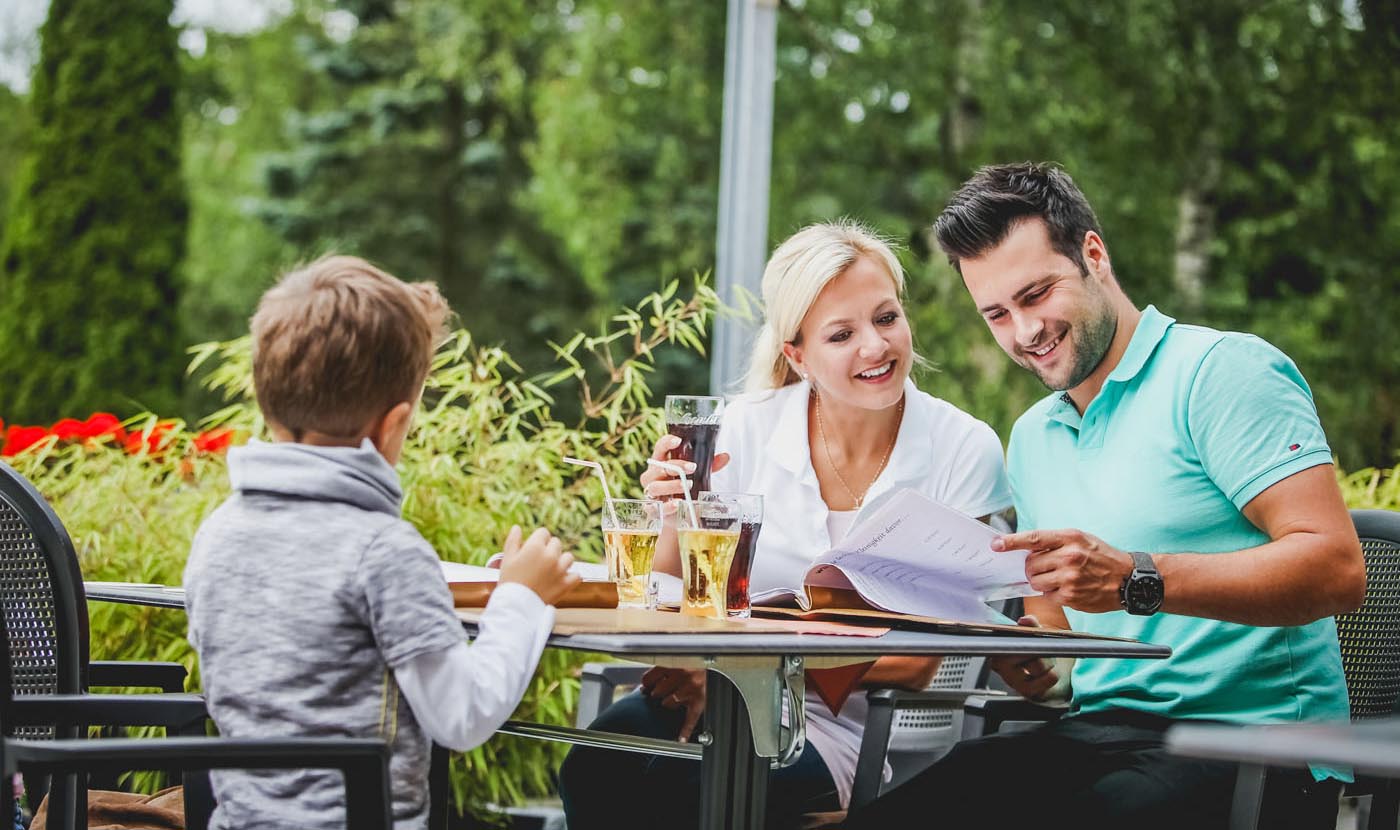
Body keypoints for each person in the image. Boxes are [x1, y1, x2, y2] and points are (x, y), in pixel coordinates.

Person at [845, 163, 1367, 830]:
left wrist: (1135, 578)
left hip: (1256, 748)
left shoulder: (1223, 374)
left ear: (1094, 254)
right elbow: (1059, 643)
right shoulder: (1033, 437)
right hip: (1098, 738)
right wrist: (1031, 660)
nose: (1023, 332)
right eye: (997, 314)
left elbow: (1337, 570)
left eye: (1036, 295)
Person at [558, 221, 1047, 829]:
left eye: (886, 318)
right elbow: (670, 593)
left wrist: (738, 674)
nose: (875, 346)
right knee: (597, 766)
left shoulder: (961, 447)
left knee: (690, 791)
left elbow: (921, 656)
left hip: (855, 733)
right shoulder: (746, 427)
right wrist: (668, 513)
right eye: (841, 334)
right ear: (797, 355)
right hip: (713, 692)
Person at [183, 256, 580, 829]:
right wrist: (522, 598)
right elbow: (462, 716)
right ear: (392, 426)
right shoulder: (384, 550)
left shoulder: (218, 533)